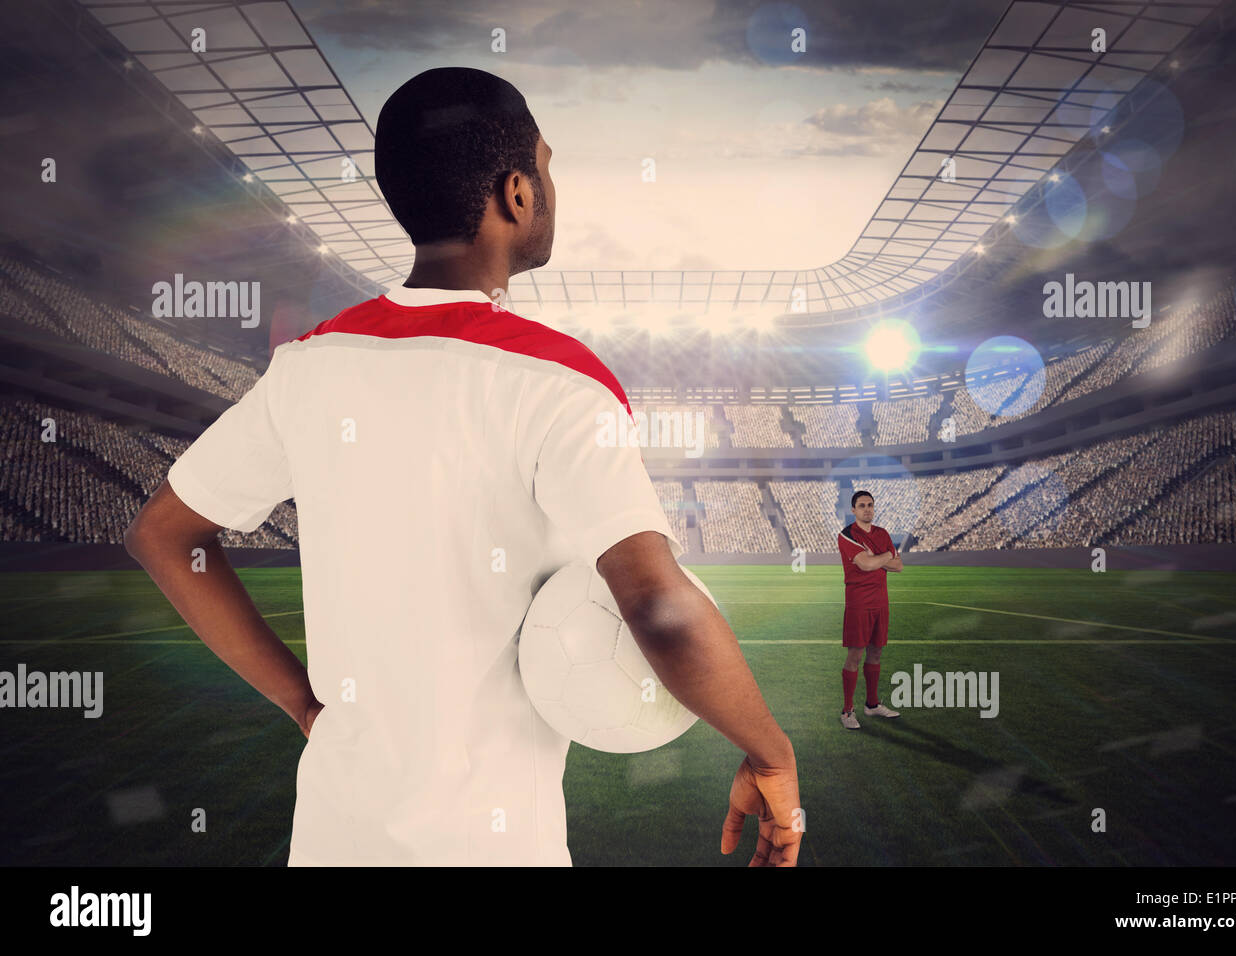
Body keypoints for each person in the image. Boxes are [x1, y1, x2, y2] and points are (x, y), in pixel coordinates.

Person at [124, 67, 800, 866]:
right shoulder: (558, 382)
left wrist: (305, 708)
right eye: (547, 167)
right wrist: (771, 754)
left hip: (333, 839)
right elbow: (656, 605)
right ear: (518, 194)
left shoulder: (311, 365)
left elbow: (165, 535)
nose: (551, 186)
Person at [836, 490, 902, 728]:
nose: (867, 509)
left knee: (876, 653)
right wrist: (885, 557)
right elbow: (865, 564)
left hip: (880, 602)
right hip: (858, 603)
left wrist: (879, 557)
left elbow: (899, 566)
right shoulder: (847, 535)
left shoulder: (882, 533)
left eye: (870, 505)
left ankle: (872, 705)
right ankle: (847, 711)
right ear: (853, 510)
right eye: (862, 505)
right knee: (855, 655)